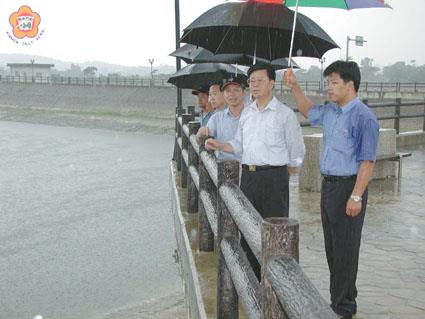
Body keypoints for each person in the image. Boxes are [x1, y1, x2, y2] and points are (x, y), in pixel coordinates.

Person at [284, 60, 379, 319]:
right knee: (333, 248)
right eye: (328, 82)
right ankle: (338, 300)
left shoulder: (364, 117)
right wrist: (294, 86)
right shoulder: (331, 111)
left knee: (346, 249)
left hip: (350, 187)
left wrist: (356, 195)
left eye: (334, 82)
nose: (329, 87)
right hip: (329, 187)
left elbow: (367, 162)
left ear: (350, 85)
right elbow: (307, 110)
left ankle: (344, 307)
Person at [205, 63, 305, 279]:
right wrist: (219, 145)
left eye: (260, 81)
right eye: (251, 81)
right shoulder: (247, 113)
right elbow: (239, 146)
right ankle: (251, 281)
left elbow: (297, 151)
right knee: (248, 229)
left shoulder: (284, 114)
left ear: (272, 83)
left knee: (274, 233)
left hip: (274, 178)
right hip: (248, 176)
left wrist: (284, 172)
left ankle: (275, 283)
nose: (255, 85)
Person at [196, 77, 246, 161]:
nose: (232, 94)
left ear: (243, 92)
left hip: (248, 167)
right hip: (224, 168)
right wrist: (200, 134)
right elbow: (202, 138)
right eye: (227, 91)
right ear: (224, 94)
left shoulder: (252, 115)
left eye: (236, 90)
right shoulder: (216, 118)